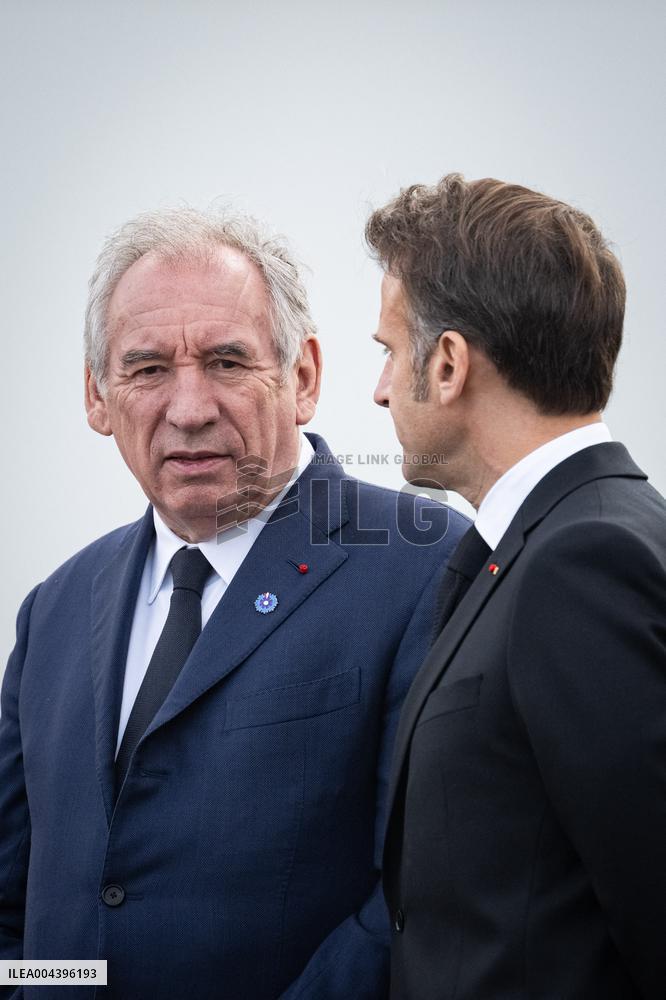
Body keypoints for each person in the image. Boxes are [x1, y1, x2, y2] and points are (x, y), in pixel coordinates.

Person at [0, 208, 469, 1000]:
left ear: (304, 378)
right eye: (147, 369)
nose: (189, 408)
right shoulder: (54, 607)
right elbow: (18, 905)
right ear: (97, 396)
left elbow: (421, 895)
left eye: (226, 362)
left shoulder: (426, 565)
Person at [367, 174, 666, 999]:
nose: (382, 388)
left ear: (451, 363)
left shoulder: (584, 562)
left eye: (389, 350)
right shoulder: (552, 541)